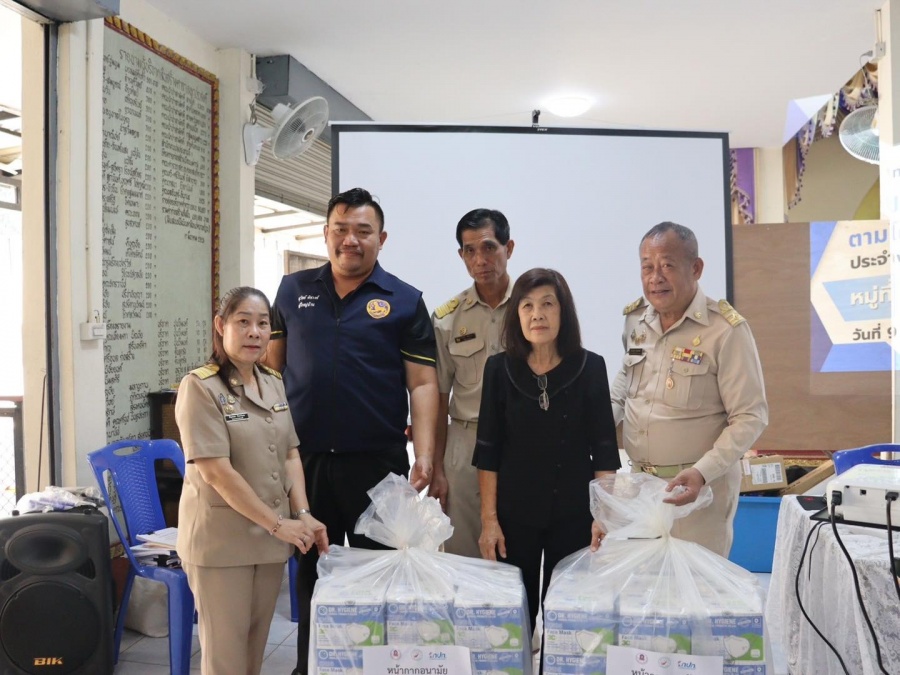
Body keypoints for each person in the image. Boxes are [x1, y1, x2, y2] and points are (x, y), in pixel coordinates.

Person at [265, 187, 439, 675]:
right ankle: (310, 666)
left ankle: (374, 666)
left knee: (377, 573)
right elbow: (271, 373)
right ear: (325, 234)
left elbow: (423, 383)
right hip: (305, 462)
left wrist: (425, 455)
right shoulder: (291, 290)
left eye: (363, 231)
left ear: (381, 238)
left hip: (377, 464)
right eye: (340, 229)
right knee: (309, 570)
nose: (350, 240)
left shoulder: (405, 301)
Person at [174, 286, 329, 675]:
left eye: (262, 324)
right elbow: (217, 472)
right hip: (222, 543)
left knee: (252, 654)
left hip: (269, 541)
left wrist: (303, 513)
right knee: (226, 659)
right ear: (221, 325)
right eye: (243, 322)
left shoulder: (272, 381)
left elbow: (290, 453)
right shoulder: (200, 387)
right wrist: (278, 524)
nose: (255, 333)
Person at [605, 221, 768, 557]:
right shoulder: (635, 321)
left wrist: (701, 473)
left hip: (698, 494)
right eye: (647, 267)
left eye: (667, 265)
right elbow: (623, 385)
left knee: (695, 586)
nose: (655, 278)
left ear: (696, 268)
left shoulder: (725, 330)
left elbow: (750, 417)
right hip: (641, 490)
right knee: (645, 584)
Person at [474, 268, 620, 642]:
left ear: (563, 311)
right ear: (516, 315)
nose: (537, 315)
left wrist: (602, 514)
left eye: (547, 304)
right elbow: (487, 451)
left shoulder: (590, 367)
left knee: (565, 618)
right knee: (513, 618)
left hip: (573, 515)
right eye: (527, 306)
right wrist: (489, 521)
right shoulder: (498, 369)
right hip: (512, 517)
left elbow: (605, 449)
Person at [430, 208, 515, 557]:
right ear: (461, 255)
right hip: (465, 446)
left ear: (509, 248)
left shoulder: (532, 308)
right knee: (463, 556)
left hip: (520, 441)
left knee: (517, 550)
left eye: (489, 247)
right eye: (470, 251)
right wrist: (436, 468)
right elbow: (438, 398)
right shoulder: (447, 320)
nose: (480, 260)